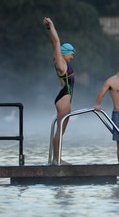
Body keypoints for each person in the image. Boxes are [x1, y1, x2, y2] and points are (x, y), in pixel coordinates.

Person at [43, 17, 75, 165]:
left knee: (61, 131)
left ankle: (57, 158)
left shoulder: (63, 64)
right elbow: (56, 42)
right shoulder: (61, 64)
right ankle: (56, 160)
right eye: (71, 54)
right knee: (60, 131)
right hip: (63, 100)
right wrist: (52, 25)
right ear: (64, 53)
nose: (73, 57)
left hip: (64, 97)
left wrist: (49, 28)